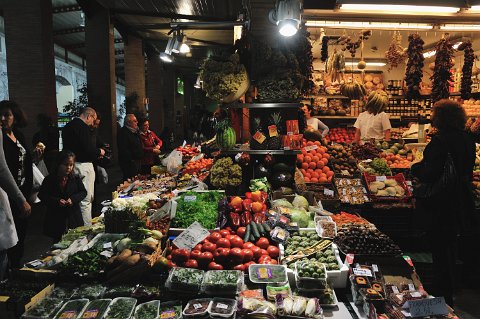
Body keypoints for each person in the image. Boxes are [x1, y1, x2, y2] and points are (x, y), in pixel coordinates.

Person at [411, 99, 477, 306]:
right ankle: (449, 290)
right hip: (461, 198)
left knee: (440, 246)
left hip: (441, 201)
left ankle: (442, 293)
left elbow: (430, 172)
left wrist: (415, 169)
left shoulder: (440, 141)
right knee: (450, 244)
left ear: (440, 118)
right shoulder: (467, 139)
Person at [0, 100, 33, 269]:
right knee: (9, 235)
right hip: (8, 193)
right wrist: (20, 198)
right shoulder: (1, 137)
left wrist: (35, 155)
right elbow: (3, 169)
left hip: (22, 189)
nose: (3, 119)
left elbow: (23, 160)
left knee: (21, 231)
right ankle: (10, 272)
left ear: (15, 116)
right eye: (1, 115)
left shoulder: (18, 134)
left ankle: (16, 266)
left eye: (7, 115)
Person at [62, 107, 105, 226]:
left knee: (74, 199)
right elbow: (88, 149)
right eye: (93, 119)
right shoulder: (83, 127)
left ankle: (75, 228)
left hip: (71, 165)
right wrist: (100, 151)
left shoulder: (67, 127)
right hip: (84, 166)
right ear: (88, 116)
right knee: (86, 200)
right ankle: (86, 230)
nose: (92, 123)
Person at [38, 150, 87, 243]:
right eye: (65, 164)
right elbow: (42, 195)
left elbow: (83, 192)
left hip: (73, 217)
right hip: (56, 218)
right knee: (58, 244)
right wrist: (57, 201)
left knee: (76, 241)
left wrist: (73, 199)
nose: (68, 167)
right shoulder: (50, 179)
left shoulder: (75, 178)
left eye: (71, 165)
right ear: (58, 164)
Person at [117, 114, 143, 179]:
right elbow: (124, 149)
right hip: (129, 163)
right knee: (130, 181)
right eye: (135, 121)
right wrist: (132, 160)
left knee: (137, 180)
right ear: (128, 122)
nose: (137, 122)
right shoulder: (123, 133)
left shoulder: (135, 131)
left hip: (137, 161)